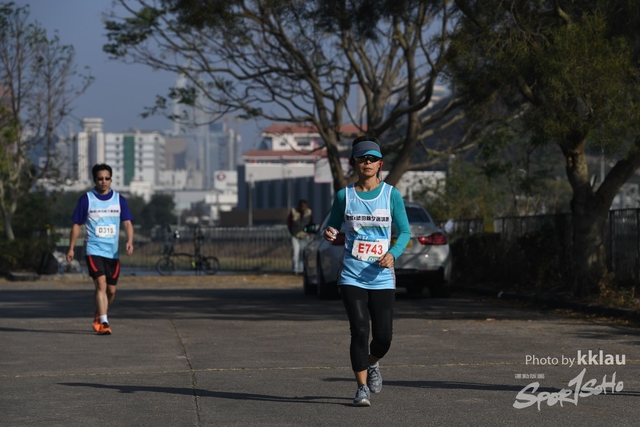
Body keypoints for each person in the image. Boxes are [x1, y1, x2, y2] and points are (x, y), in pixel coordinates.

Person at [323, 136, 410, 407]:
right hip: (352, 274)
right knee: (360, 330)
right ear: (354, 163)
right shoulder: (344, 196)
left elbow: (405, 232)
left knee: (383, 336)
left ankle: (373, 363)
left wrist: (392, 254)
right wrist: (330, 232)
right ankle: (361, 389)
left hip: (382, 277)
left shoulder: (391, 195)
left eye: (373, 159)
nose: (367, 163)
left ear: (380, 163)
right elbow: (333, 225)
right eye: (363, 159)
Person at [66, 164, 134, 335]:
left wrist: (129, 240)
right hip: (93, 249)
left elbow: (127, 223)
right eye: (100, 179)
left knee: (111, 291)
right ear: (95, 180)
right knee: (101, 284)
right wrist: (71, 248)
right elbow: (76, 225)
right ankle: (104, 323)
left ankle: (100, 312)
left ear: (111, 179)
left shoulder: (119, 200)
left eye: (106, 178)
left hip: (112, 252)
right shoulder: (86, 199)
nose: (103, 181)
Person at [287, 199, 313, 275]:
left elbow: (311, 223)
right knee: (295, 253)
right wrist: (292, 232)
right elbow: (289, 223)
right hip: (295, 235)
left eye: (305, 206)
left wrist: (309, 232)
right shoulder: (293, 211)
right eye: (302, 206)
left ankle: (302, 269)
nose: (303, 208)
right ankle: (295, 269)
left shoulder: (309, 212)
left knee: (303, 253)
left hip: (305, 235)